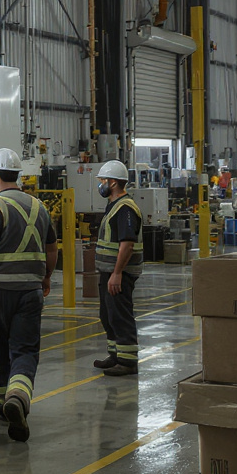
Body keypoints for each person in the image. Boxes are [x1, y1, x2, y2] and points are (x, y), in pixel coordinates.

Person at [0, 148, 58, 443]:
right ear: (17, 174)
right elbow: (52, 249)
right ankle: (18, 397)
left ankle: (2, 403)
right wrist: (45, 277)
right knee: (24, 350)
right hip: (29, 293)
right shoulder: (39, 208)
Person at [92, 160, 143, 376]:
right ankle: (115, 355)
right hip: (108, 272)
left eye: (103, 181)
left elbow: (127, 244)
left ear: (113, 183)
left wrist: (117, 273)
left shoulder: (125, 208)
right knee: (108, 315)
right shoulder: (114, 205)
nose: (101, 184)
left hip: (119, 273)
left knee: (120, 315)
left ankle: (128, 361)